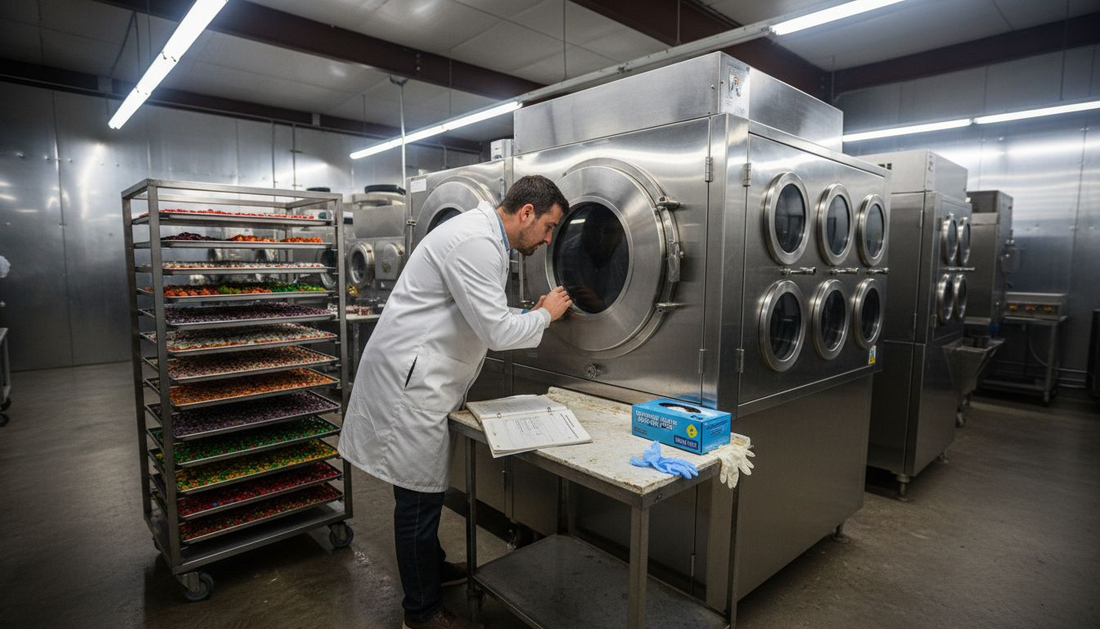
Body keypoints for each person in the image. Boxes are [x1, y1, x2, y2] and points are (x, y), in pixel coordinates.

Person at [338, 175, 574, 629]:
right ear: (526, 213)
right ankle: (420, 614)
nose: (547, 240)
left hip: (419, 379)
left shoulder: (479, 236)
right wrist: (547, 313)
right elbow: (495, 331)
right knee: (418, 500)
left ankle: (433, 569)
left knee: (423, 491)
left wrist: (527, 316)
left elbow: (480, 313)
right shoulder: (477, 243)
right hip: (409, 388)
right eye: (547, 227)